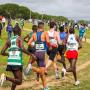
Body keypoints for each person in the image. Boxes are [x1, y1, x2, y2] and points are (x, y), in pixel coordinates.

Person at [0, 22, 35, 90]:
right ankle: (5, 77)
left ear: (13, 32)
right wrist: (31, 54)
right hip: (16, 62)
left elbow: (2, 52)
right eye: (20, 31)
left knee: (16, 79)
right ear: (19, 31)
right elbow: (22, 48)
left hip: (10, 62)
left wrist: (9, 54)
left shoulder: (9, 40)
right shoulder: (19, 38)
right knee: (19, 81)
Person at [25, 22, 50, 90]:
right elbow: (48, 41)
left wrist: (34, 45)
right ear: (43, 27)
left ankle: (45, 87)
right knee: (42, 71)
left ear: (38, 27)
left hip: (36, 53)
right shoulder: (45, 33)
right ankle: (31, 67)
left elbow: (28, 43)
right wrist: (49, 46)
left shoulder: (34, 34)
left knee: (42, 72)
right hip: (42, 54)